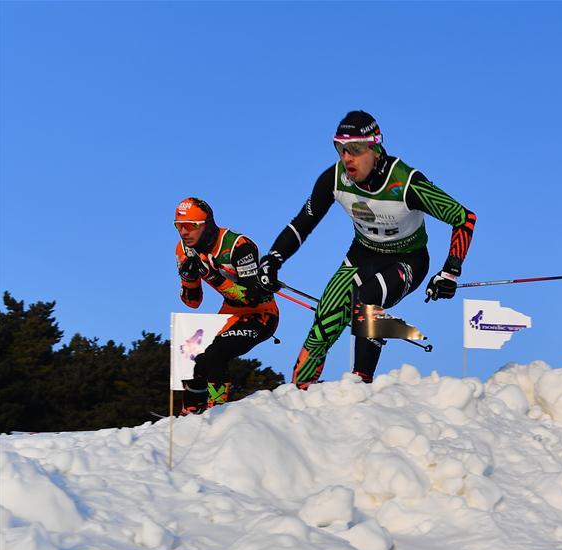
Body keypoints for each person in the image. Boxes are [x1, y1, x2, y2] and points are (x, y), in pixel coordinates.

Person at [257, 111, 476, 387]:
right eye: (341, 148)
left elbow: (464, 217)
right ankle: (299, 394)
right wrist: (272, 260)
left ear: (375, 148)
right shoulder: (334, 179)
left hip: (408, 259)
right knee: (326, 318)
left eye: (356, 149)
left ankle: (361, 386)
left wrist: (450, 271)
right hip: (363, 255)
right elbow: (303, 222)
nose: (347, 157)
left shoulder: (405, 183)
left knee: (367, 297)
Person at [174, 197, 279, 415]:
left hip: (261, 313)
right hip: (230, 314)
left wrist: (213, 277)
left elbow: (251, 298)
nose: (184, 232)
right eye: (179, 226)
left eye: (190, 226)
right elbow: (193, 302)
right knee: (195, 357)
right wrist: (187, 278)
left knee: (216, 354)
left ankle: (217, 412)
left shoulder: (239, 246)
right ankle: (191, 411)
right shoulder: (184, 249)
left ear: (206, 224)